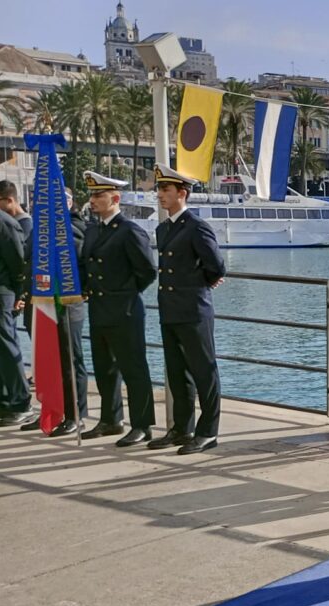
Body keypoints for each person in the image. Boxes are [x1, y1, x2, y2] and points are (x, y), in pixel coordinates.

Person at [146, 165, 226, 455]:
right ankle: (182, 428)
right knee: (178, 373)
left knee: (204, 371)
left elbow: (216, 266)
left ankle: (207, 432)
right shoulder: (164, 227)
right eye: (159, 190)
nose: (160, 195)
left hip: (193, 310)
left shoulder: (196, 226)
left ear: (182, 193)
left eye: (166, 190)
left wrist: (200, 286)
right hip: (170, 311)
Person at [78, 171, 157, 447]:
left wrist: (123, 292)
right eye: (92, 195)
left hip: (124, 310)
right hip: (99, 310)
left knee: (133, 369)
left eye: (98, 195)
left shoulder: (129, 230)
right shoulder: (93, 229)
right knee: (104, 369)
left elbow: (147, 271)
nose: (93, 200)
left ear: (115, 198)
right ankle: (110, 420)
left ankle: (142, 424)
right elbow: (87, 265)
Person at [15, 185, 90, 436]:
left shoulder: (73, 229)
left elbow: (76, 263)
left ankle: (74, 415)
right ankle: (50, 410)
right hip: (41, 303)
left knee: (70, 362)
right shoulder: (41, 230)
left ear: (67, 204)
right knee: (44, 362)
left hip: (65, 304)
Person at [0, 195, 31, 427]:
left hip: (2, 292)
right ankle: (4, 399)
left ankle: (21, 401)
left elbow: (18, 262)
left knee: (7, 346)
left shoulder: (5, 222)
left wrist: (19, 293)